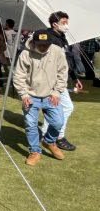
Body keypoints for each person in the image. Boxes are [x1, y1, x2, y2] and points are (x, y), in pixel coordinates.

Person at [13, 30, 68, 166]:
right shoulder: (25, 53)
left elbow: (63, 72)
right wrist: (24, 94)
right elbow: (19, 75)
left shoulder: (57, 51)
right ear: (34, 42)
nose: (43, 47)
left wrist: (57, 92)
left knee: (58, 122)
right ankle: (34, 151)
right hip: (31, 96)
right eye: (40, 44)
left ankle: (49, 141)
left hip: (51, 95)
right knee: (31, 125)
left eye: (46, 44)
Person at [40, 11, 81, 151]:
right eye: (64, 23)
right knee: (66, 107)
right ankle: (57, 137)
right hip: (52, 81)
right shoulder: (49, 38)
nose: (66, 25)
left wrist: (74, 77)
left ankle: (47, 134)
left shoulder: (62, 38)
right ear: (54, 24)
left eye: (67, 22)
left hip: (60, 80)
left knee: (54, 108)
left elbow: (67, 60)